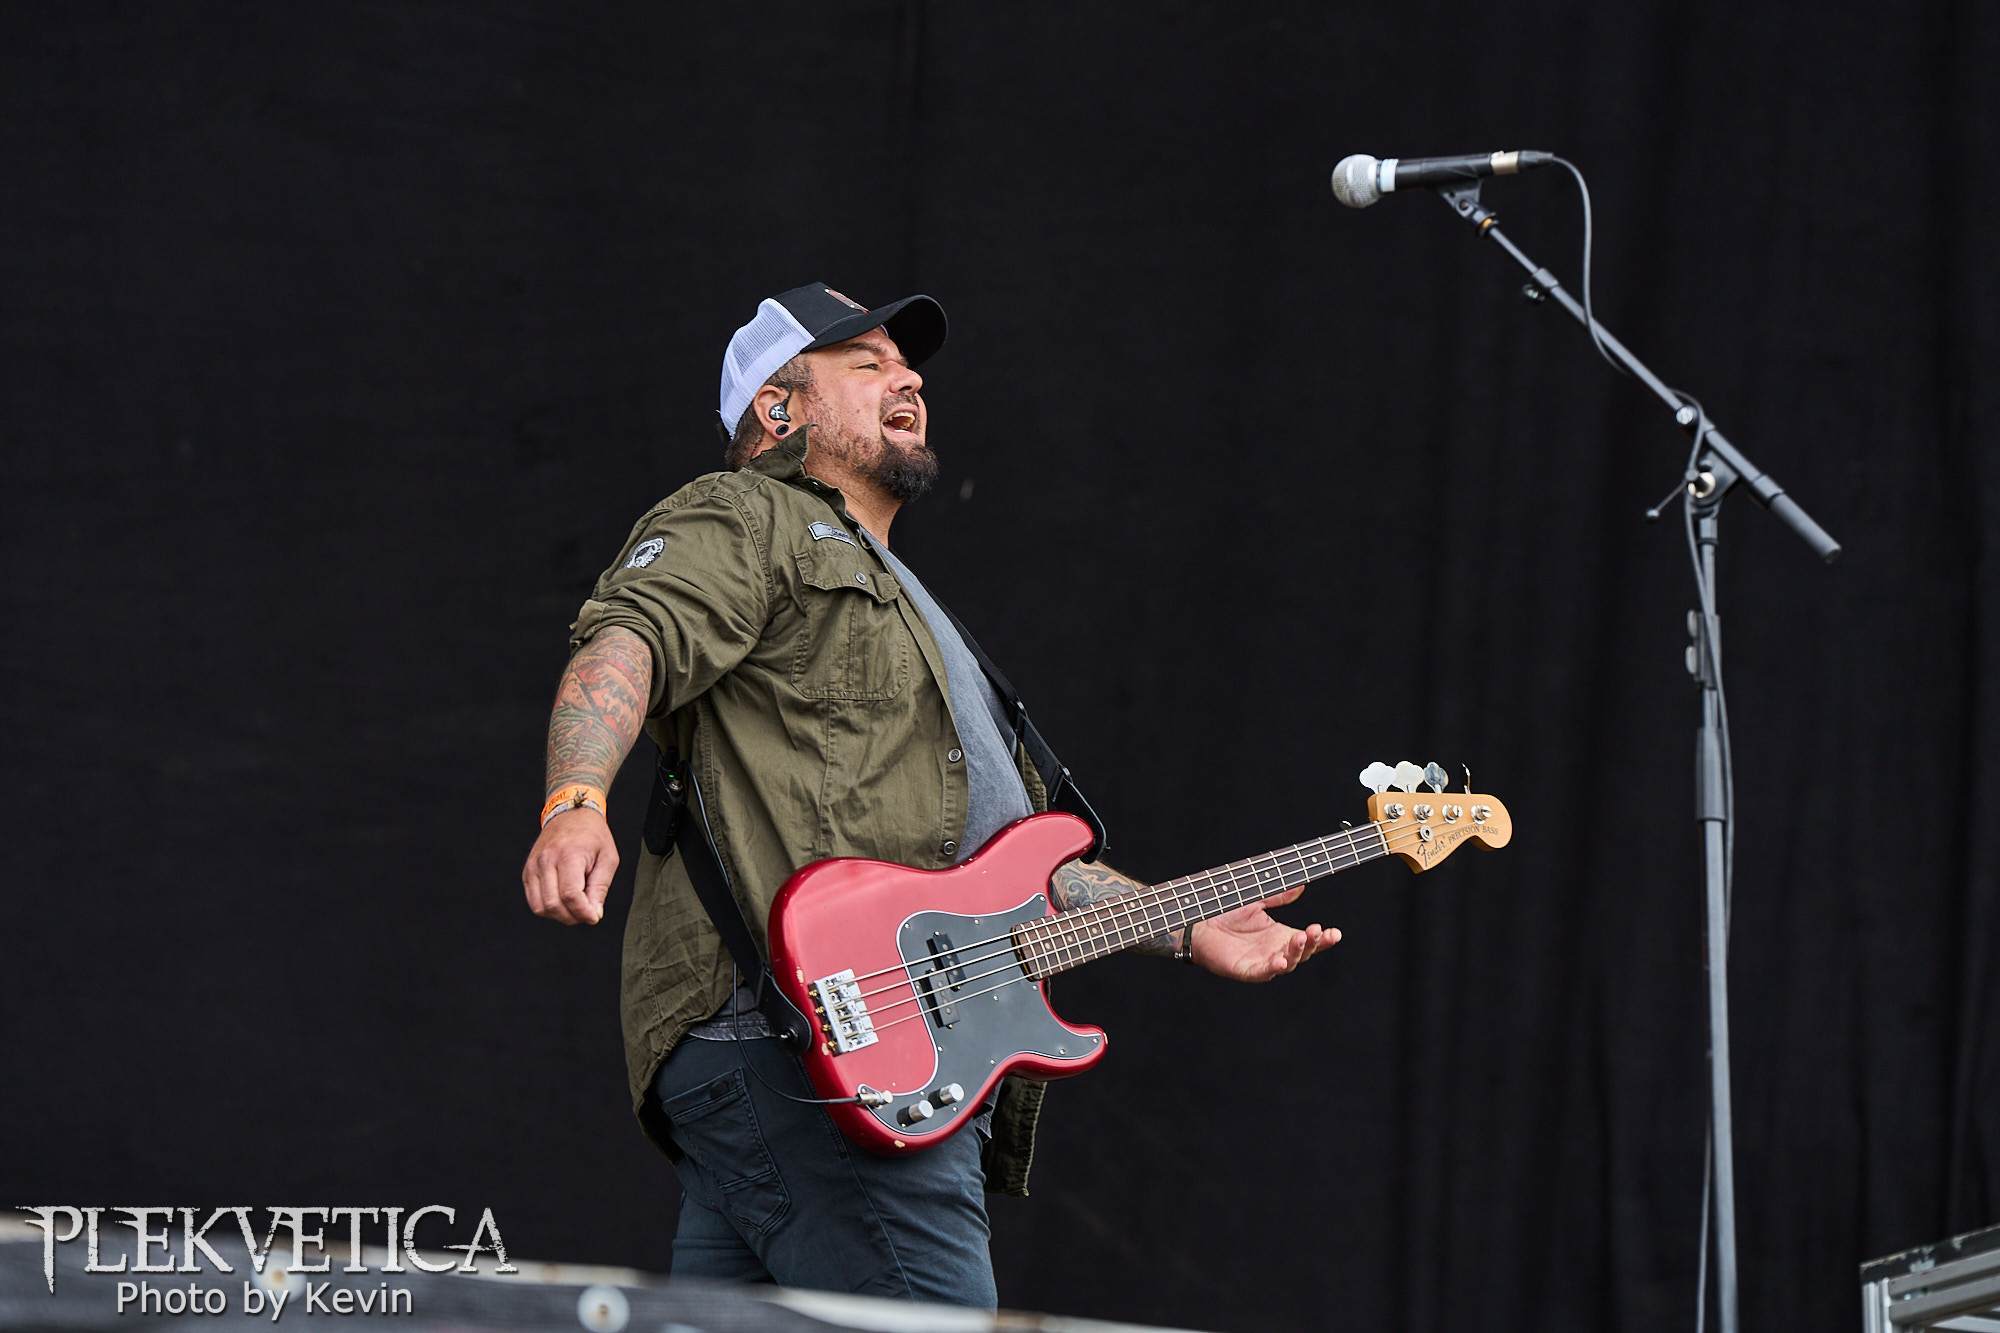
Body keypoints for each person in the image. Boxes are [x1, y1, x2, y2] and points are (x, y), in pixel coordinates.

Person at [518, 282, 1341, 1307]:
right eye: (866, 365)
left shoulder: (922, 621)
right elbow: (632, 633)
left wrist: (1184, 923)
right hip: (808, 1042)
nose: (906, 378)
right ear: (779, 408)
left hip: (822, 1066)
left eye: (906, 366)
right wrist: (575, 798)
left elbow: (1010, 872)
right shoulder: (747, 513)